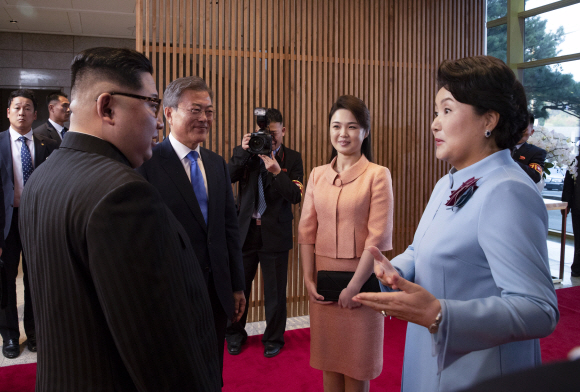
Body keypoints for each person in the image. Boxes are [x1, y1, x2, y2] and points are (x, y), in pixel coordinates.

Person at [18, 47, 221, 391]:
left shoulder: (42, 176)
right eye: (152, 104)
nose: (158, 120)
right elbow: (157, 349)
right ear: (107, 107)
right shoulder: (122, 194)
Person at [354, 56, 559, 392]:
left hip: (480, 372)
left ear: (488, 120)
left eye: (447, 110)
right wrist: (397, 270)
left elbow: (539, 309)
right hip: (429, 357)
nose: (435, 123)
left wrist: (440, 314)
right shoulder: (448, 183)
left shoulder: (507, 190)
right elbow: (421, 249)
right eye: (436, 111)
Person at [137, 76, 245, 376]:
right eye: (195, 110)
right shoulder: (147, 163)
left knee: (213, 367)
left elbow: (229, 230)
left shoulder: (217, 164)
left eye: (209, 111)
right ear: (169, 113)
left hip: (217, 290)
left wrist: (236, 285)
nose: (204, 118)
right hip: (173, 293)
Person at [298, 95, 394, 391]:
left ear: (365, 131)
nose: (343, 134)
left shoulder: (378, 176)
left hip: (361, 283)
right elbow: (306, 232)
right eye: (336, 126)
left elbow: (376, 238)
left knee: (356, 365)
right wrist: (307, 277)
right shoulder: (316, 175)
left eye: (352, 127)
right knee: (329, 363)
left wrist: (353, 287)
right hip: (324, 281)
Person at [226, 108, 304, 358]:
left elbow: (295, 196)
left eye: (273, 133)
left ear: (283, 130)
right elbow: (227, 177)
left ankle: (273, 339)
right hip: (245, 232)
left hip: (275, 233)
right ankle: (234, 334)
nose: (270, 138)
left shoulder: (292, 158)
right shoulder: (247, 153)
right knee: (238, 288)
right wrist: (243, 152)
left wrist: (277, 172)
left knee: (275, 292)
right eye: (265, 133)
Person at [1, 89, 57, 359]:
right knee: (5, 281)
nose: (21, 112)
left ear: (36, 114)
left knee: (36, 280)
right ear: (8, 112)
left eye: (27, 108)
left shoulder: (48, 145)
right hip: (6, 225)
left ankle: (35, 334)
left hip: (36, 222)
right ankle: (10, 336)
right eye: (16, 108)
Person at [512, 113, 546, 184]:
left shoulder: (537, 152)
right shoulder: (498, 147)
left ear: (532, 132)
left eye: (524, 129)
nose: (519, 132)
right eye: (516, 128)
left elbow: (535, 176)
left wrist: (508, 160)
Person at [562, 162, 580, 277]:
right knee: (578, 239)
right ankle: (577, 267)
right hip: (578, 207)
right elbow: (568, 185)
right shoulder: (575, 161)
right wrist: (565, 204)